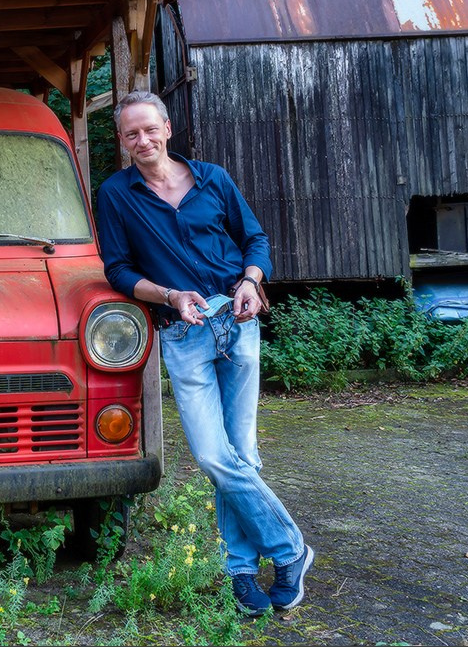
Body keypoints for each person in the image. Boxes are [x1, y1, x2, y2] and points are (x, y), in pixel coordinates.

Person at [96, 90, 313, 617]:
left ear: (167, 128)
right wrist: (168, 295)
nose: (142, 140)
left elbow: (255, 239)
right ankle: (291, 550)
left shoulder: (213, 178)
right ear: (122, 141)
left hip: (238, 324)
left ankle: (240, 571)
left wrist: (251, 279)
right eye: (131, 134)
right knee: (215, 457)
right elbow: (118, 270)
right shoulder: (116, 195)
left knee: (243, 454)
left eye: (150, 129)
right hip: (183, 332)